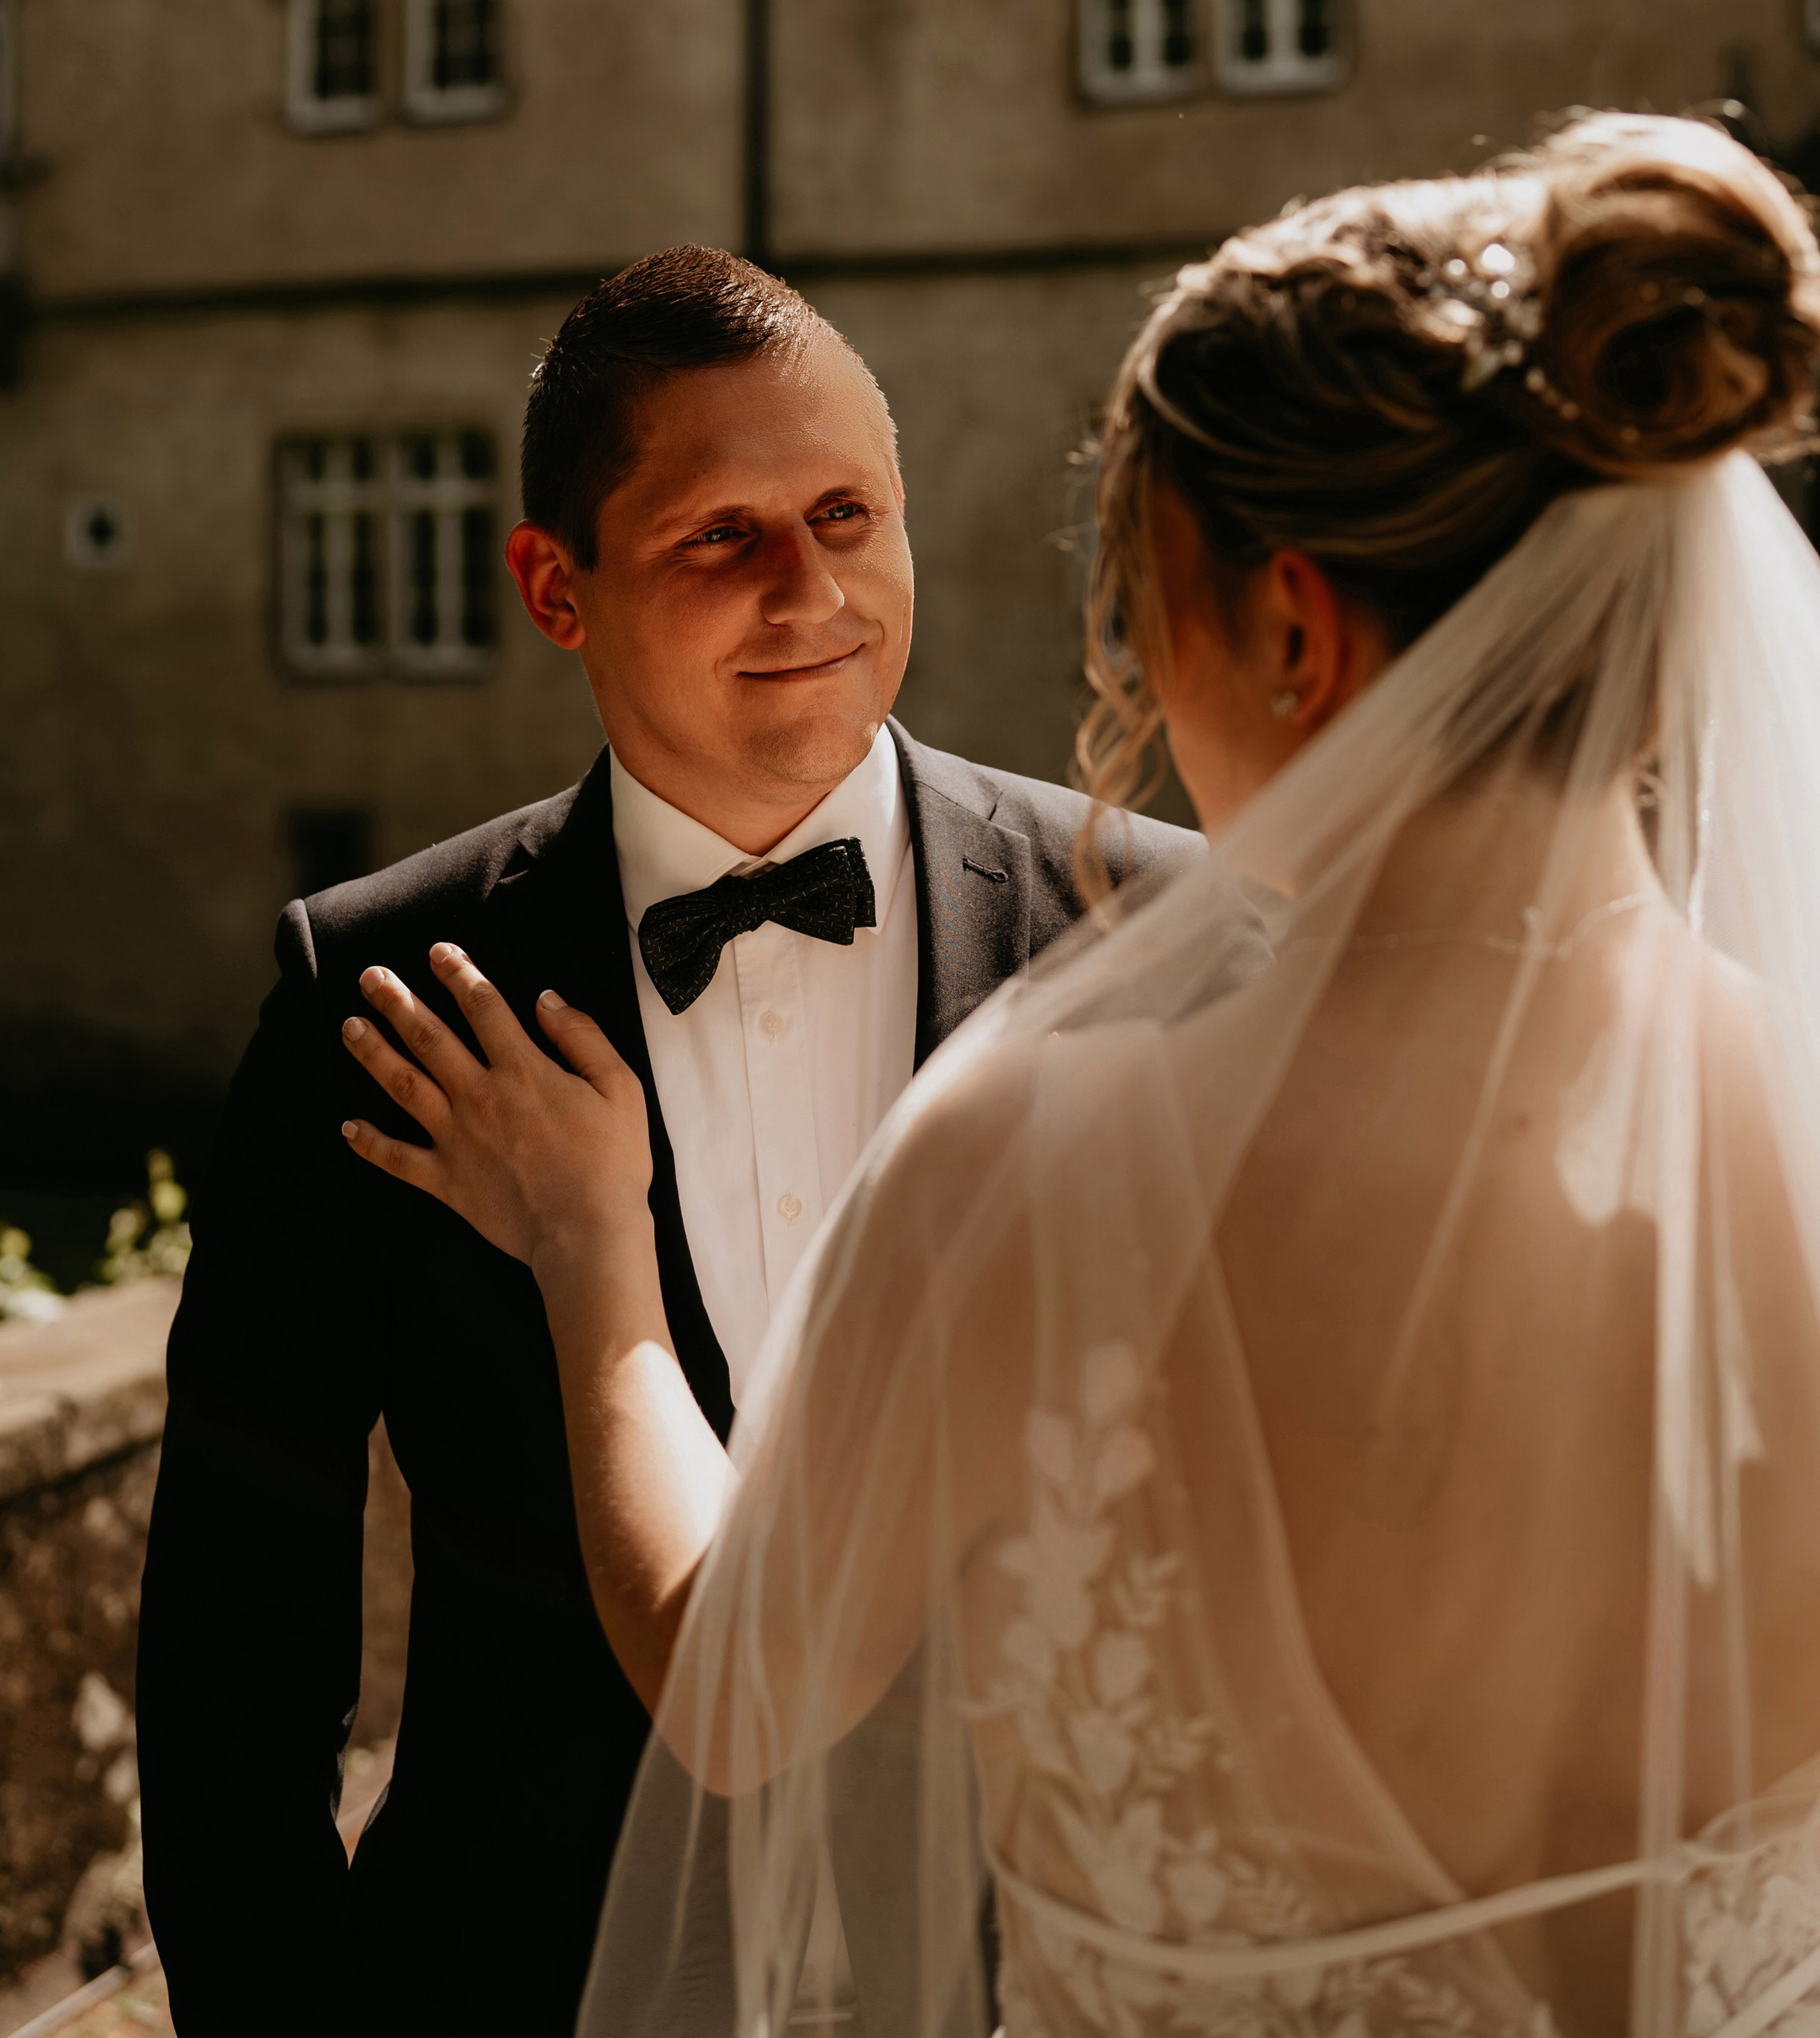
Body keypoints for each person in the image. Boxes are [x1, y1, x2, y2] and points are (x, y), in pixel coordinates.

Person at [344, 116, 1820, 2036]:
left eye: (1144, 600)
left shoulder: (1043, 1145)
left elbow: (734, 1688)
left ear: (1290, 622)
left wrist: (592, 1264)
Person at [135, 246, 1196, 2036]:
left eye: (848, 512)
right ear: (554, 586)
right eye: (724, 535)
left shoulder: (1150, 937)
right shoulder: (376, 993)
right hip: (522, 1985)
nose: (814, 587)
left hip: (1056, 1982)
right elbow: (238, 1656)